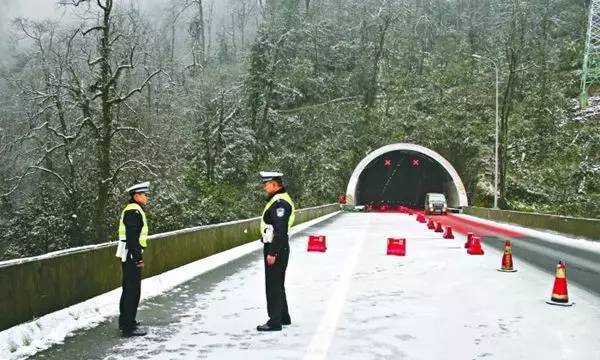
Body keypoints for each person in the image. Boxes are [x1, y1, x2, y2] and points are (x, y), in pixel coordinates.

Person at [257, 171, 295, 331]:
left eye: (266, 184)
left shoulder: (279, 203)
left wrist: (272, 253)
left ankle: (274, 322)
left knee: (273, 285)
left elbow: (280, 230)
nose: (265, 187)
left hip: (276, 247)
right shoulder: (278, 200)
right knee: (278, 283)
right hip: (279, 246)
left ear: (274, 184)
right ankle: (283, 317)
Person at [115, 181, 150, 337]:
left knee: (129, 289)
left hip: (128, 253)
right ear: (136, 196)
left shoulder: (133, 210)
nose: (147, 197)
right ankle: (128, 327)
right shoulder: (134, 212)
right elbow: (132, 238)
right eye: (145, 195)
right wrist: (138, 258)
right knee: (132, 291)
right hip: (130, 254)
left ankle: (127, 322)